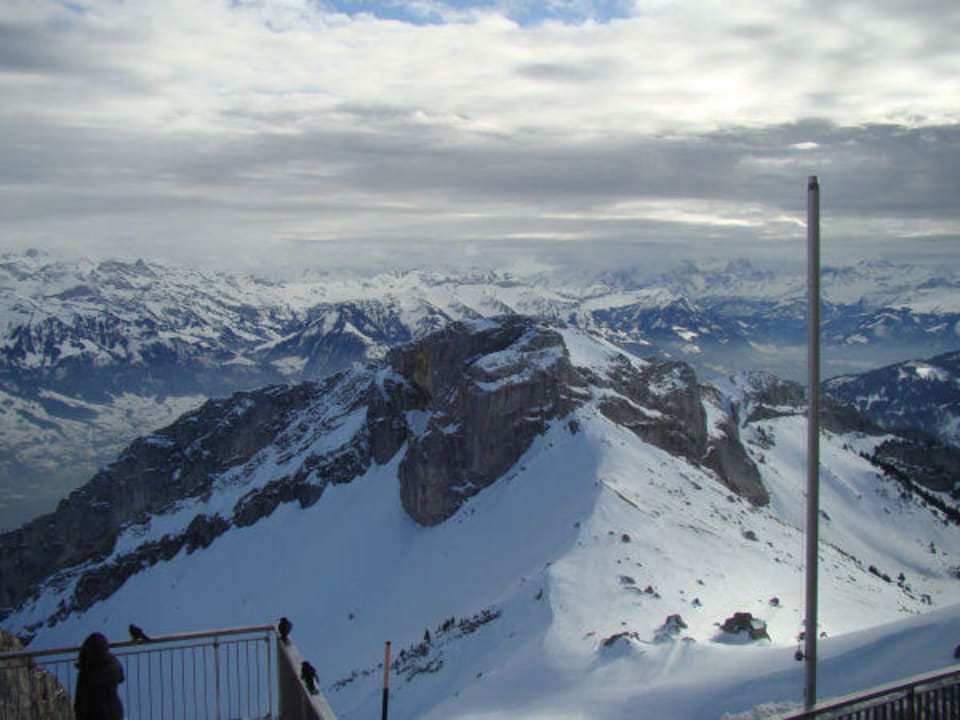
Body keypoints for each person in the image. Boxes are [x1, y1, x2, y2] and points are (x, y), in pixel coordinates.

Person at [74, 632, 124, 720]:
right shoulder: (113, 661)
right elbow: (121, 678)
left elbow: (79, 701)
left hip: (94, 713)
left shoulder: (87, 671)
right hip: (115, 711)